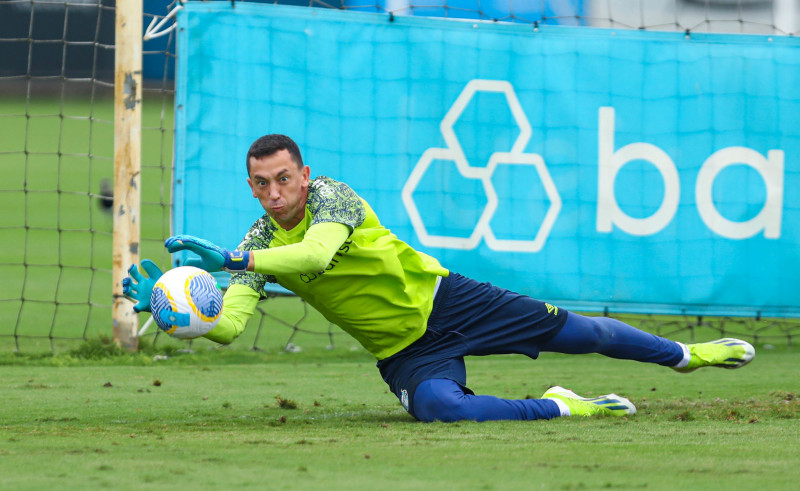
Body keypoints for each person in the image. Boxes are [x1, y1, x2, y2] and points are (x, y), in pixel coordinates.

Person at [123, 134, 755, 423]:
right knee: (439, 410)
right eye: (260, 183)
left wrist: (233, 263)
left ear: (303, 173)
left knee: (584, 332)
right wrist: (179, 310)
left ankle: (686, 356)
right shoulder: (255, 242)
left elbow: (315, 258)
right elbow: (231, 326)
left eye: (283, 178)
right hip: (404, 351)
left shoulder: (333, 198)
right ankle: (564, 405)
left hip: (449, 301)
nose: (273, 192)